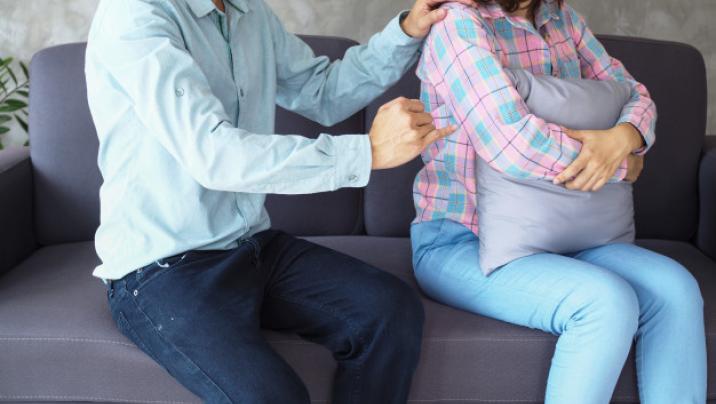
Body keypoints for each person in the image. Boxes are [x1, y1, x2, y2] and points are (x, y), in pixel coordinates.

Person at [84, 0, 475, 402]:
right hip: (160, 268)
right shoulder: (135, 14)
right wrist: (367, 152)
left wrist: (406, 31)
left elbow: (322, 91)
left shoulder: (249, 11)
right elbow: (214, 155)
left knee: (390, 310)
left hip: (249, 245)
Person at [410, 0, 707, 403]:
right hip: (461, 241)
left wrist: (625, 137)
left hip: (570, 236)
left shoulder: (562, 19)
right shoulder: (457, 24)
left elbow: (636, 95)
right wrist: (621, 166)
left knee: (677, 290)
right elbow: (511, 143)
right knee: (604, 303)